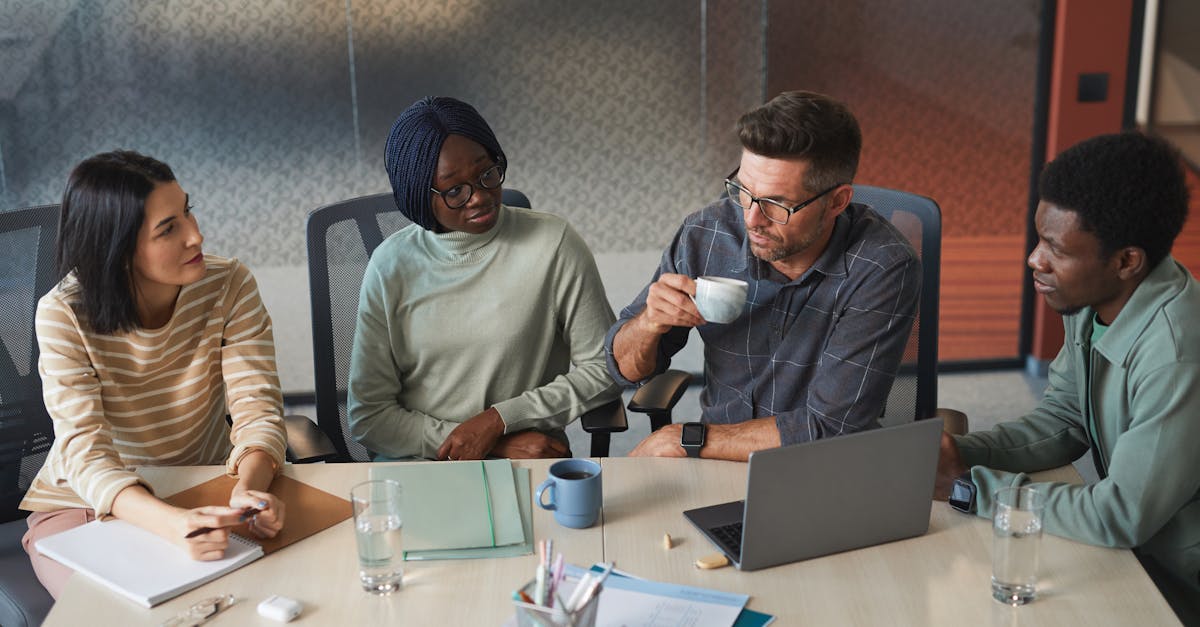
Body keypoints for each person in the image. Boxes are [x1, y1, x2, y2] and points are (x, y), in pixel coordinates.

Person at [933, 132, 1200, 618]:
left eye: (1056, 248)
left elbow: (1120, 515)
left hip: (1178, 584)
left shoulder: (1177, 356)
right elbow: (1063, 420)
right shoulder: (1097, 300)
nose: (1035, 259)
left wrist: (971, 487)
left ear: (1126, 261)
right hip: (1138, 556)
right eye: (1040, 238)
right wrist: (962, 453)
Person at [19, 151, 288, 598]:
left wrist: (248, 491)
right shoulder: (63, 313)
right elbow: (86, 456)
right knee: (113, 614)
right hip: (86, 503)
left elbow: (257, 410)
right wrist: (173, 524)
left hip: (202, 487)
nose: (196, 235)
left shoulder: (229, 284)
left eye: (188, 212)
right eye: (168, 229)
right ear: (118, 248)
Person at [605, 90, 921, 461]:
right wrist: (648, 324)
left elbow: (832, 427)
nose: (752, 219)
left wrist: (685, 439)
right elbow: (623, 369)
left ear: (837, 201)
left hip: (818, 464)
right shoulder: (707, 233)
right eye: (743, 191)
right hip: (717, 455)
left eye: (776, 203)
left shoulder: (881, 266)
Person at [347, 96, 621, 461]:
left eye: (487, 174)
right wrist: (490, 443)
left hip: (529, 460)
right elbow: (369, 417)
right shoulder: (389, 266)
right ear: (419, 194)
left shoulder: (553, 243)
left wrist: (500, 420)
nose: (479, 197)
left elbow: (605, 368)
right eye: (454, 190)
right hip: (421, 467)